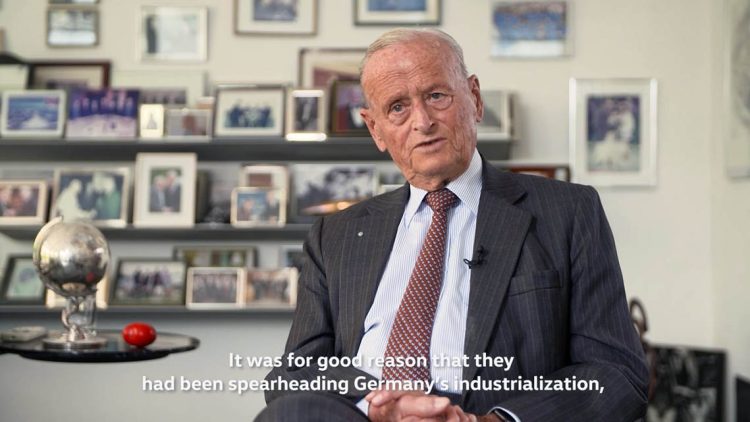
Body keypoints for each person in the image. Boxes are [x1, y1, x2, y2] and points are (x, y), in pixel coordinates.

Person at [259, 28, 648, 421]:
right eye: (398, 107)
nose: (422, 121)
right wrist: (378, 405)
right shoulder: (335, 236)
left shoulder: (568, 212)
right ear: (375, 129)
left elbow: (616, 373)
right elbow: (294, 373)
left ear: (474, 98)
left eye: (436, 96)